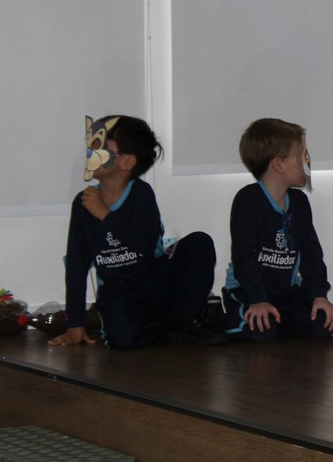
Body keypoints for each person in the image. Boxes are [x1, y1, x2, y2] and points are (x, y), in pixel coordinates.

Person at [52, 115, 225, 349]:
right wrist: (75, 323)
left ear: (127, 162)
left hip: (153, 279)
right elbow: (76, 264)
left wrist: (105, 214)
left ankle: (186, 318)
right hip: (118, 291)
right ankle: (163, 324)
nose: (91, 153)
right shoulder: (83, 203)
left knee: (199, 243)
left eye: (101, 147)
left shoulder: (141, 194)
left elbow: (142, 245)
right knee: (123, 341)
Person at [214, 118, 333, 342]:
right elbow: (243, 255)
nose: (307, 161)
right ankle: (221, 318)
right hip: (248, 291)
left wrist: (319, 295)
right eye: (302, 156)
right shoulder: (248, 199)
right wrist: (257, 299)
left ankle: (277, 319)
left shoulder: (299, 202)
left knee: (321, 325)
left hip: (285, 293)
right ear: (279, 165)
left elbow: (311, 253)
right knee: (263, 331)